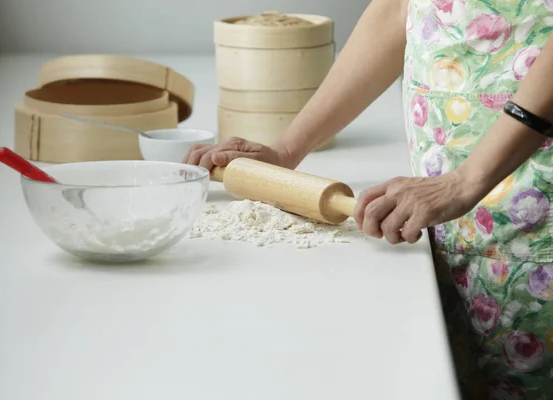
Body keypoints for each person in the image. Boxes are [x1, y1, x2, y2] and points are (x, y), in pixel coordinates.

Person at [184, 1, 553, 398]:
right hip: (448, 215)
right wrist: (287, 150)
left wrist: (466, 181)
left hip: (534, 204)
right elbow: (399, 8)